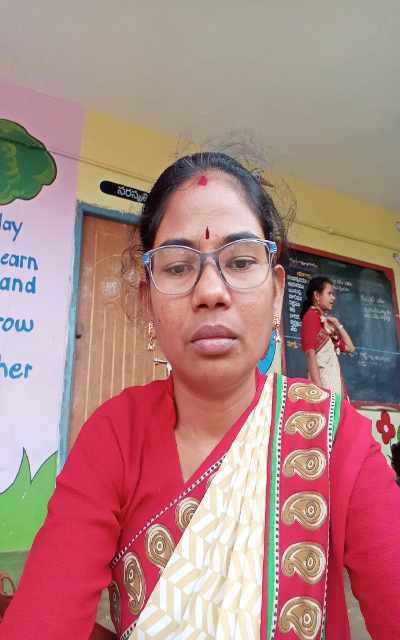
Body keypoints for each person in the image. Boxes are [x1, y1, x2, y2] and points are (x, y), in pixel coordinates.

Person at [1, 152, 400, 640]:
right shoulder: (116, 436)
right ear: (148, 301)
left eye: (241, 261)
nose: (211, 291)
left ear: (277, 292)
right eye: (177, 266)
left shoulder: (334, 438)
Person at [300, 276, 355, 396]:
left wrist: (338, 324)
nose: (333, 298)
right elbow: (310, 353)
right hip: (324, 388)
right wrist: (319, 390)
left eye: (333, 294)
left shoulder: (326, 324)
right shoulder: (311, 317)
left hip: (333, 386)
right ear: (317, 295)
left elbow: (350, 348)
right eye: (329, 293)